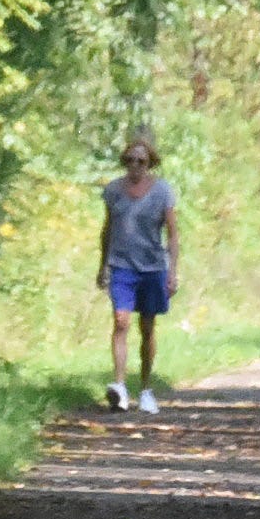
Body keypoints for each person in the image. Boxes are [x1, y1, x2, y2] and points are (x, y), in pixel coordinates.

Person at [95, 134, 179, 414]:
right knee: (121, 321)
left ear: (150, 163)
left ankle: (145, 388)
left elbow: (172, 233)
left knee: (147, 328)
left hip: (152, 267)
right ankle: (119, 387)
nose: (135, 166)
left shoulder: (162, 191)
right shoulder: (114, 191)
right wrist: (102, 265)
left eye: (141, 161)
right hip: (122, 266)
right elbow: (107, 230)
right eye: (130, 160)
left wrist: (172, 271)